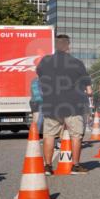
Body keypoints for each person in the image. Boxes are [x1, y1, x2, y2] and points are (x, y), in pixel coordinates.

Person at [37, 34, 92, 174]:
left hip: (52, 104)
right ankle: (75, 166)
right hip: (73, 105)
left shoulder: (45, 61)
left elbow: (40, 77)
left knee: (49, 135)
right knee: (76, 136)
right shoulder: (77, 63)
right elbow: (90, 91)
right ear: (68, 46)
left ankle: (48, 167)